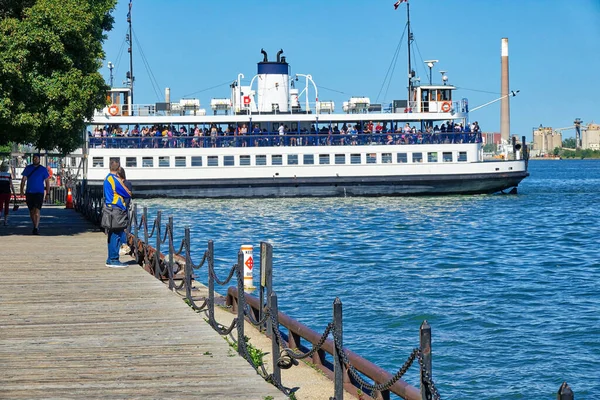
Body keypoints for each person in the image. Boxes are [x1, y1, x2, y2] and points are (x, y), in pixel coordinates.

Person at [104, 159, 132, 268]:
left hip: (110, 208)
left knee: (112, 233)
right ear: (119, 168)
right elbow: (127, 193)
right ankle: (113, 259)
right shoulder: (115, 180)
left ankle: (111, 258)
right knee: (116, 233)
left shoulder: (107, 178)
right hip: (116, 209)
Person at [20, 154, 50, 235]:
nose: (35, 159)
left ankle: (36, 227)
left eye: (37, 158)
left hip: (39, 192)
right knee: (31, 211)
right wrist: (21, 190)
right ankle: (34, 225)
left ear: (39, 159)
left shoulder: (43, 169)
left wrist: (47, 193)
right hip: (29, 192)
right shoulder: (28, 168)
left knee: (37, 210)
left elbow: (47, 182)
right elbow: (23, 180)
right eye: (34, 158)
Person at [117, 167, 133, 256]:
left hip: (123, 208)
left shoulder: (127, 183)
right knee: (120, 227)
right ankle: (122, 244)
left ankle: (124, 244)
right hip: (118, 207)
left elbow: (127, 197)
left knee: (124, 227)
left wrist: (123, 206)